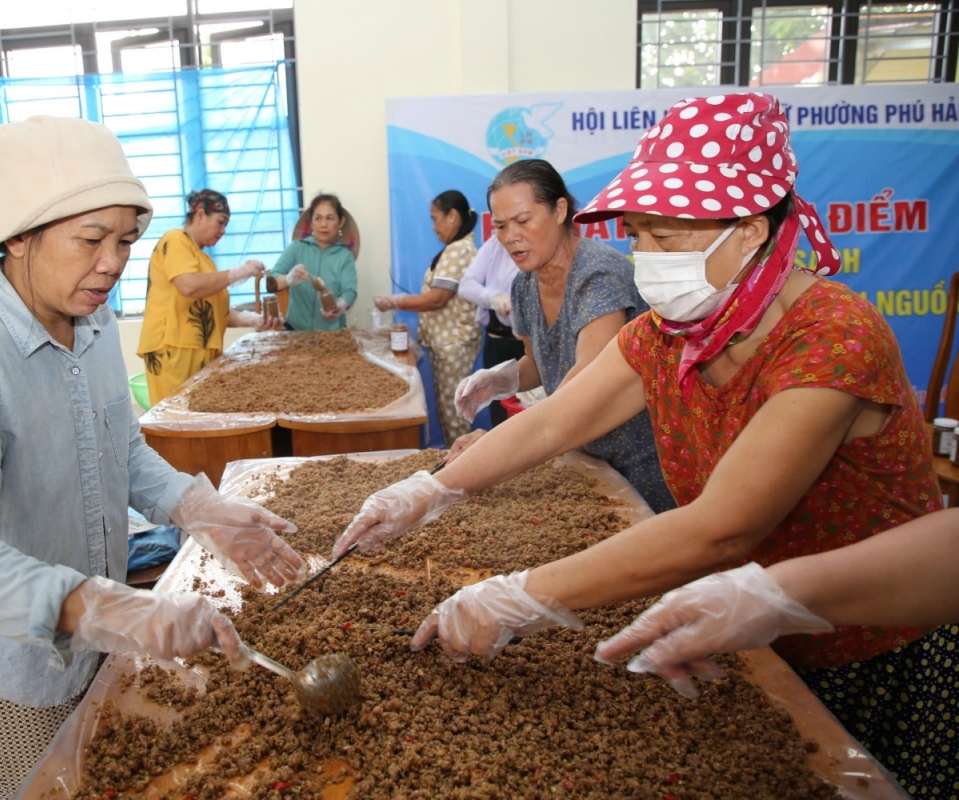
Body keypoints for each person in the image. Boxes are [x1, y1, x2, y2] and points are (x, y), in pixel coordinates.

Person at [336, 94, 947, 795]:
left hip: (870, 653)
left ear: (748, 231)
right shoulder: (669, 331)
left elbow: (722, 528)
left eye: (665, 237)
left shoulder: (831, 337)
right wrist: (431, 489)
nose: (644, 258)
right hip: (739, 636)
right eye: (637, 236)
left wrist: (517, 598)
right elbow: (554, 420)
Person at [0, 116, 306, 798]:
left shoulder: (91, 326)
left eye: (124, 241)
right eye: (92, 240)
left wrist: (199, 507)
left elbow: (119, 450)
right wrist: (110, 608)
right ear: (20, 237)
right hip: (8, 673)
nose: (114, 262)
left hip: (92, 642)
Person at [451, 160, 675, 513]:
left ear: (559, 210)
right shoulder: (523, 285)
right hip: (584, 451)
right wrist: (499, 381)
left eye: (523, 221)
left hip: (642, 459)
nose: (511, 237)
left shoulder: (598, 273)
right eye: (500, 226)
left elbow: (586, 377)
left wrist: (497, 443)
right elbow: (538, 364)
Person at [595, 508, 959, 698]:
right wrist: (774, 592)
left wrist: (773, 594)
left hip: (880, 634)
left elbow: (723, 529)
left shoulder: (826, 366)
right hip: (784, 605)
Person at [136, 188, 283, 406]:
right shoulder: (176, 240)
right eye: (220, 222)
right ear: (200, 214)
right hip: (174, 349)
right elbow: (188, 286)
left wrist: (252, 319)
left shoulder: (205, 260)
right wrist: (236, 274)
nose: (223, 230)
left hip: (202, 350)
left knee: (198, 414)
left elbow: (216, 311)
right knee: (176, 414)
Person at [374, 190, 481, 446]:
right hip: (446, 344)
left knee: (455, 416)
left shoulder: (459, 250)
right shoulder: (455, 248)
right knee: (448, 413)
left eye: (435, 219)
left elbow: (437, 298)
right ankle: (459, 468)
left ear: (452, 216)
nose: (434, 227)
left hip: (453, 344)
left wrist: (395, 301)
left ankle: (467, 472)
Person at [456, 236, 523, 427]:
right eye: (500, 224)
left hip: (535, 345)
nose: (509, 231)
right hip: (500, 341)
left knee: (533, 409)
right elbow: (466, 285)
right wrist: (494, 298)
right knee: (501, 415)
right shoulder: (495, 244)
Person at [268, 193, 358, 331]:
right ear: (311, 223)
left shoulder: (345, 256)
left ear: (340, 222)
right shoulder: (296, 248)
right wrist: (289, 278)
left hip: (333, 333)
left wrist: (339, 307)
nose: (323, 224)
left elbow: (349, 292)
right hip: (295, 331)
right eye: (318, 218)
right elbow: (272, 281)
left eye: (330, 218)